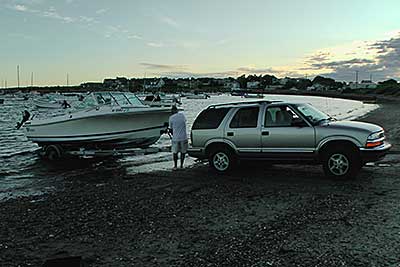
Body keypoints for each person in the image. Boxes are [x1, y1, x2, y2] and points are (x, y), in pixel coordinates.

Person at [168, 105, 188, 170]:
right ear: (177, 110)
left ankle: (175, 166)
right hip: (183, 137)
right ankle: (181, 165)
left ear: (172, 111)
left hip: (175, 138)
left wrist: (171, 133)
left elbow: (171, 129)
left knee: (175, 152)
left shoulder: (171, 118)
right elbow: (184, 122)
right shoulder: (182, 115)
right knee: (183, 152)